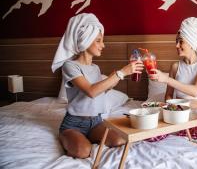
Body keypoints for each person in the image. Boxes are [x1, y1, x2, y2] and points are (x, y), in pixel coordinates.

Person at [51, 13, 144, 158]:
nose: (103, 45)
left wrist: (116, 78)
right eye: (99, 41)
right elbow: (91, 91)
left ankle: (86, 138)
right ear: (86, 41)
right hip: (74, 123)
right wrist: (120, 73)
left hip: (96, 122)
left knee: (119, 140)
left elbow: (101, 91)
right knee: (83, 151)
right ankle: (67, 137)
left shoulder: (95, 68)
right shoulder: (69, 66)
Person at [148, 17, 197, 141]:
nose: (176, 45)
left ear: (191, 42)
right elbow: (168, 95)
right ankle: (180, 130)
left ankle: (180, 131)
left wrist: (166, 79)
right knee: (150, 134)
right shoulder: (175, 66)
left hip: (196, 114)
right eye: (176, 41)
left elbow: (195, 91)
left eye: (180, 42)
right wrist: (171, 109)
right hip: (177, 114)